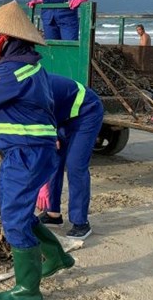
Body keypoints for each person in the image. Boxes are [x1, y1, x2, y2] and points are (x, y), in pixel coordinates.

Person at [0, 2, 74, 300]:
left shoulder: (13, 70)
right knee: (20, 211)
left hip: (25, 154)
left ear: (5, 39)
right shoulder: (30, 65)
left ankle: (28, 290)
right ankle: (56, 257)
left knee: (13, 219)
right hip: (30, 152)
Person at [36, 74, 104, 240]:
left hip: (87, 112)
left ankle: (80, 222)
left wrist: (52, 136)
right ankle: (53, 214)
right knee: (53, 161)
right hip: (63, 116)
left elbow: (44, 115)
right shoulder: (21, 91)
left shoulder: (35, 90)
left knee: (75, 164)